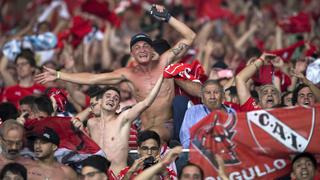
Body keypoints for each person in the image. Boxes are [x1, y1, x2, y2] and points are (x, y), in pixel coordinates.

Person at [35, 4, 196, 142]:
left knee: (151, 136)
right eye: (137, 47)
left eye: (145, 46)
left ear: (152, 50)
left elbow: (190, 36)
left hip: (166, 126)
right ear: (132, 53)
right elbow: (93, 79)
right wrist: (58, 75)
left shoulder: (165, 61)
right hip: (143, 127)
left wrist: (167, 17)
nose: (142, 50)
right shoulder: (128, 73)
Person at [82, 75, 163, 177]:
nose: (111, 99)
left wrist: (162, 77)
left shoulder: (123, 119)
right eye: (108, 96)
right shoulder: (91, 123)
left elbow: (146, 103)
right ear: (100, 102)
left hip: (120, 176)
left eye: (115, 99)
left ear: (118, 107)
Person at [179, 80, 236, 148]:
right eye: (208, 93)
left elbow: (237, 141)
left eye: (216, 92)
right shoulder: (193, 112)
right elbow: (186, 141)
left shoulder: (232, 113)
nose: (212, 96)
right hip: (198, 155)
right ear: (202, 98)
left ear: (223, 97)